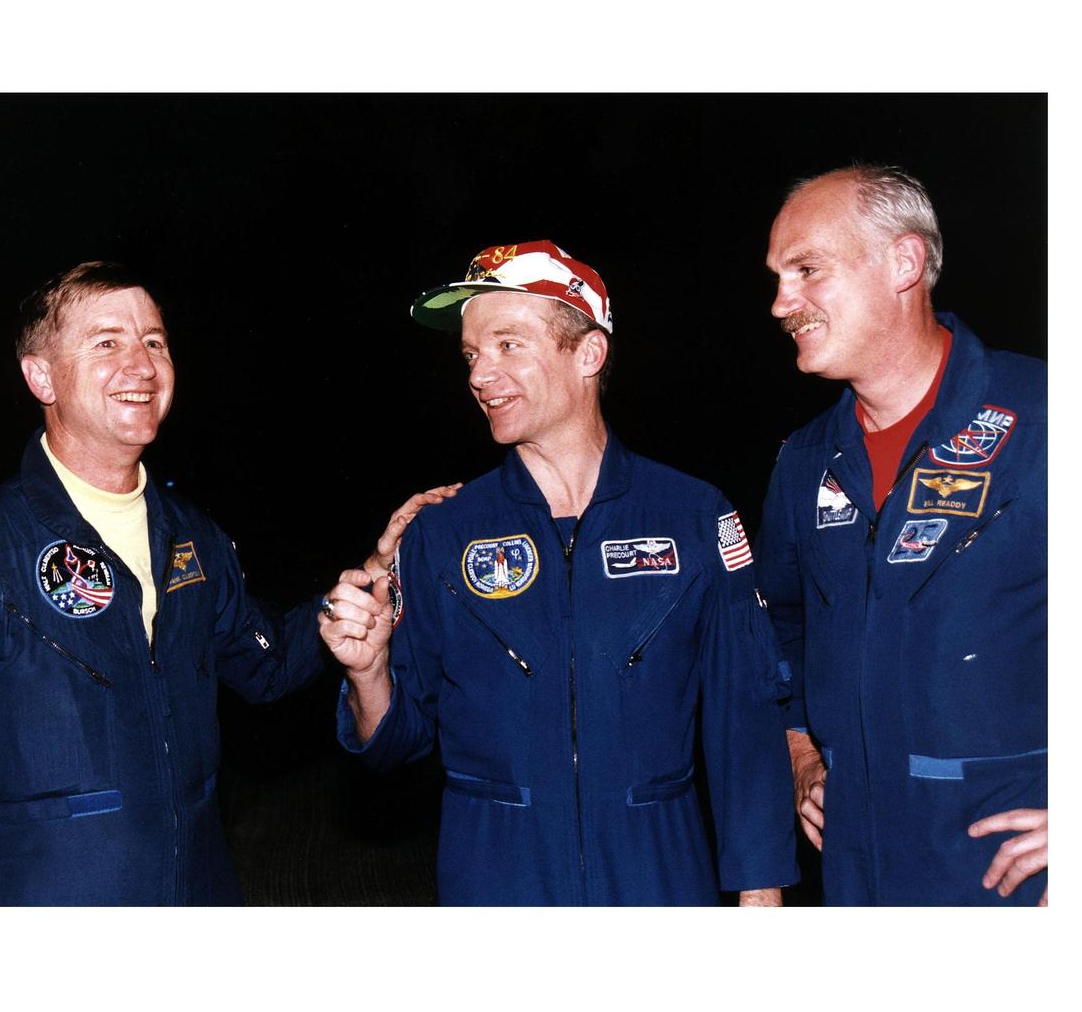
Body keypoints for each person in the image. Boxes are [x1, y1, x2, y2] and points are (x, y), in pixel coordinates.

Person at [0, 261, 458, 905]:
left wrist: (375, 570)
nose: (141, 365)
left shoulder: (192, 537)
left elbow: (270, 666)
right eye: (107, 342)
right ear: (42, 377)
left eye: (154, 341)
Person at [317, 240, 797, 905]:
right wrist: (367, 674)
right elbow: (393, 746)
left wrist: (760, 891)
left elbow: (743, 722)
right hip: (497, 878)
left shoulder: (693, 516)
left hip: (658, 875)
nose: (481, 375)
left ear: (589, 354)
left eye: (508, 345)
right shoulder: (441, 533)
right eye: (471, 355)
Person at [756, 166, 1047, 905]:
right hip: (861, 873)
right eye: (779, 277)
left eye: (807, 270)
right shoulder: (804, 461)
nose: (781, 302)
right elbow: (779, 631)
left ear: (904, 264)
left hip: (1013, 879)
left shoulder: (1044, 419)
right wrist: (799, 757)